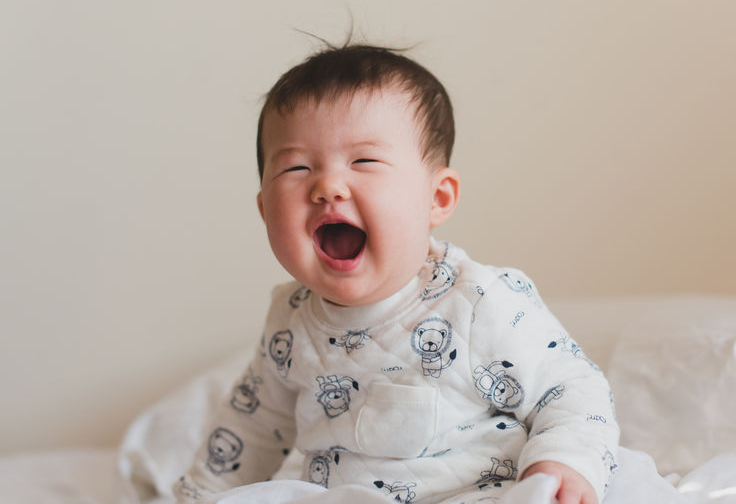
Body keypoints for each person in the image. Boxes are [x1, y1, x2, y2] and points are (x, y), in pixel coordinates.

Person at [175, 44, 619, 504]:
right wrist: (201, 495)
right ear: (265, 210)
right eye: (296, 167)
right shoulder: (290, 321)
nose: (327, 186)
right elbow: (250, 428)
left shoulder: (476, 301)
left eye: (364, 161)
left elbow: (570, 387)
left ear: (437, 198)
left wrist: (564, 463)